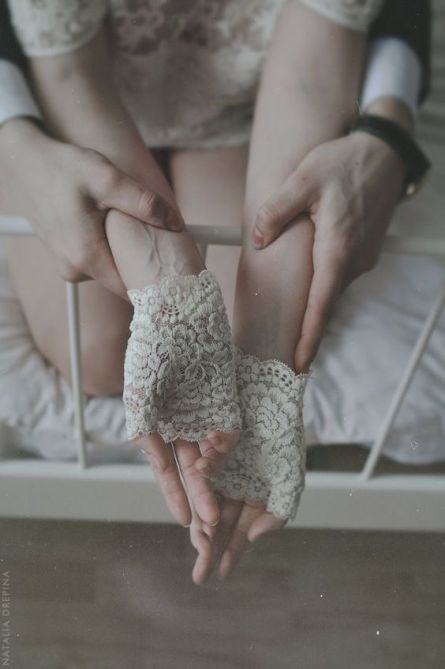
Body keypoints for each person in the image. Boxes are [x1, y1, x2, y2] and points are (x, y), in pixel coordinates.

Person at [0, 0, 431, 583]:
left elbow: (309, 71)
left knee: (231, 336)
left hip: (235, 102)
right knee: (96, 354)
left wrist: (265, 369)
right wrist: (166, 289)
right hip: (73, 94)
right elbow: (69, 72)